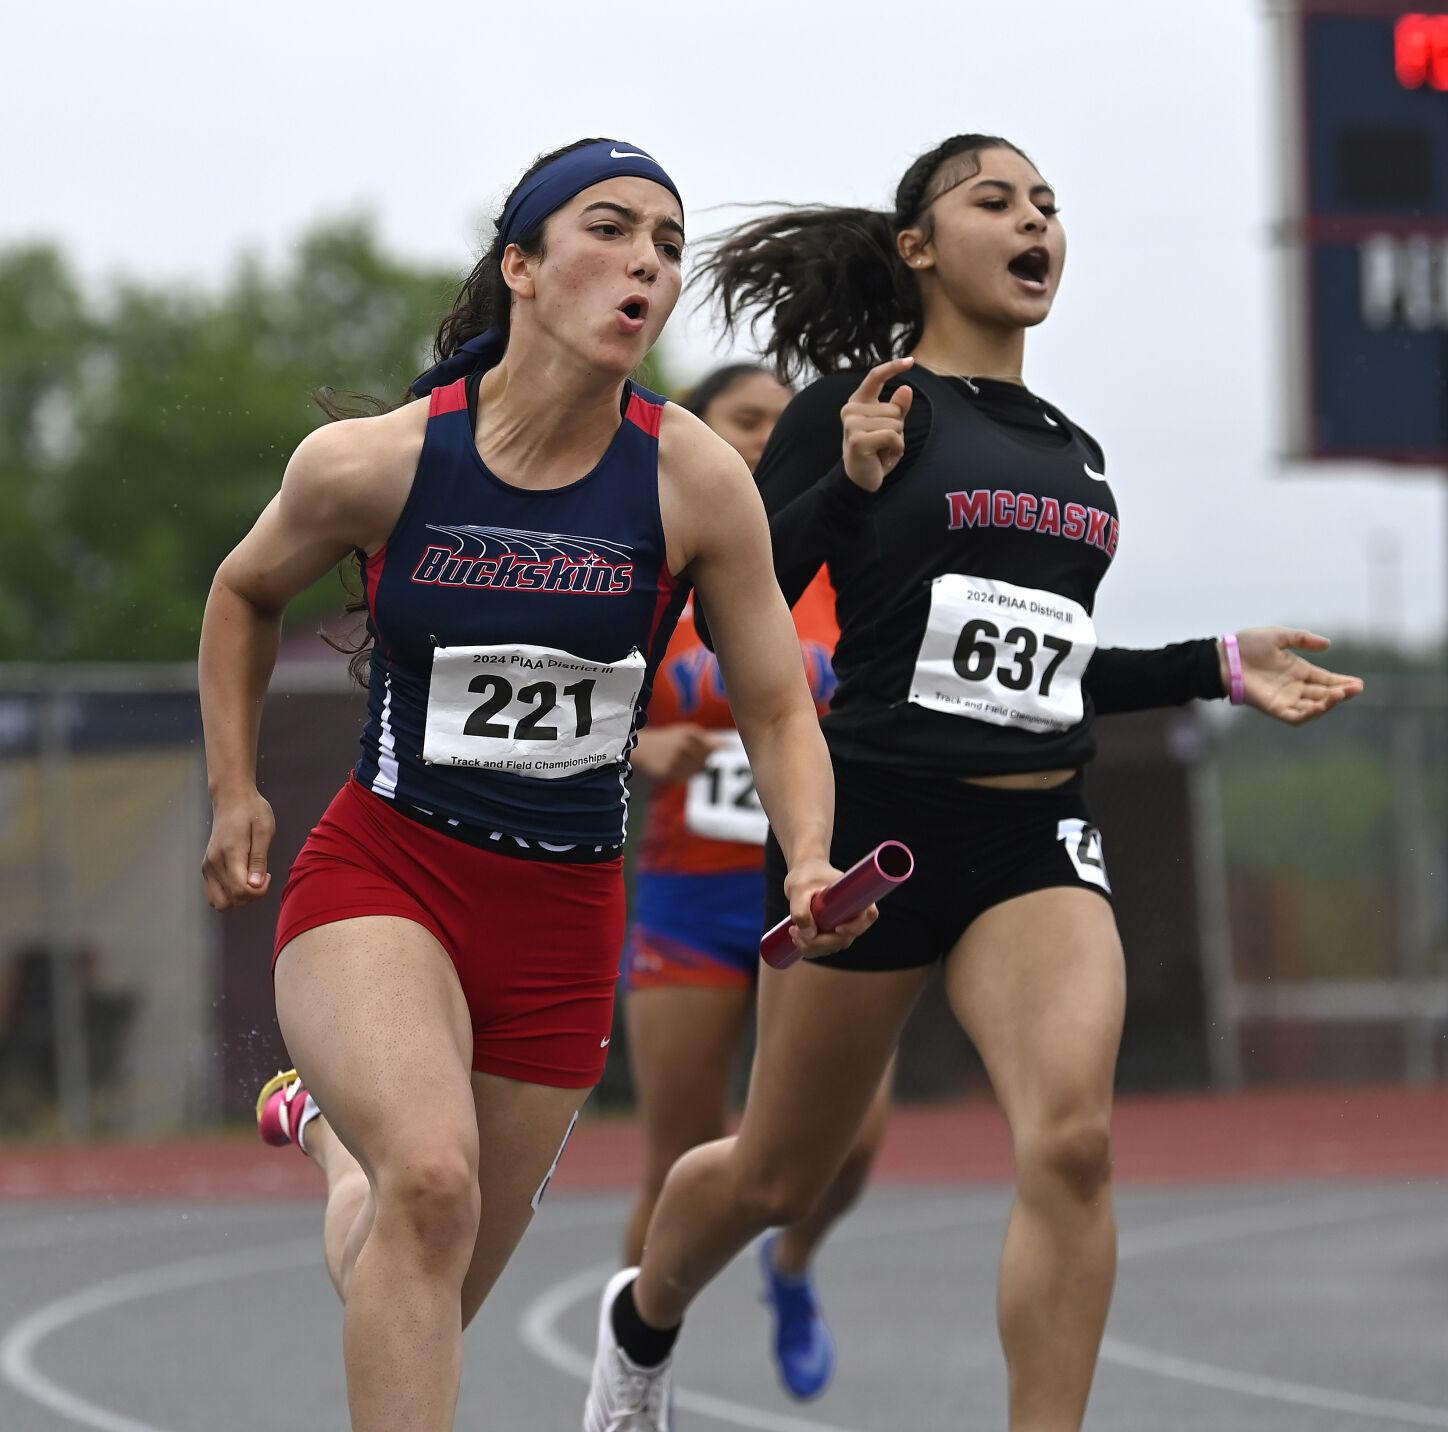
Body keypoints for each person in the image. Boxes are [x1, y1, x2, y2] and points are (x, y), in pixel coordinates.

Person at [582, 134, 1364, 1432]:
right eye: (995, 200)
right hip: (871, 835)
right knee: (779, 1174)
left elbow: (1039, 671)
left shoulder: (1077, 452)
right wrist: (847, 481)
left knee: (1072, 1140)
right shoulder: (861, 402)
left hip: (1034, 833)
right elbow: (743, 612)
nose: (1033, 219)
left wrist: (1221, 663)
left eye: (1050, 203)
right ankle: (643, 1319)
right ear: (921, 248)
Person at [197, 137, 872, 1432]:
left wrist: (806, 855)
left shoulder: (691, 479)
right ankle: (363, 1146)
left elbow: (779, 703)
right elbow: (242, 592)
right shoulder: (379, 462)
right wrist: (235, 790)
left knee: (415, 1271)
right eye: (611, 230)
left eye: (668, 246)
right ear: (522, 264)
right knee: (436, 1189)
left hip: (564, 921)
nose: (647, 264)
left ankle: (334, 1143)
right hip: (387, 871)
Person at [623, 363, 892, 1401]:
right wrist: (644, 747)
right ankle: (632, 1367)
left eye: (789, 430)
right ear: (693, 437)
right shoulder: (655, 565)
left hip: (816, 890)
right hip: (692, 895)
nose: (769, 445)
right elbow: (584, 700)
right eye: (745, 423)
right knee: (675, 1160)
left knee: (847, 1138)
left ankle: (789, 1265)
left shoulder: (842, 567)